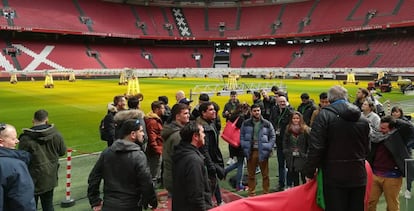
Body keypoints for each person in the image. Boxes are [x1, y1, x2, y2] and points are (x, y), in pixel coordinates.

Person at [303, 85, 370, 211]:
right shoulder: (362, 118)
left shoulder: (324, 116)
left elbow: (316, 147)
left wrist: (309, 172)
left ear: (330, 99)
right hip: (358, 174)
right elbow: (367, 148)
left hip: (334, 176)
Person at [88, 119, 158, 211]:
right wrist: (152, 201)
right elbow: (146, 182)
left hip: (109, 205)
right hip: (131, 205)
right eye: (140, 131)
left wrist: (95, 201)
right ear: (133, 134)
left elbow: (94, 177)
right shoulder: (138, 156)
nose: (143, 134)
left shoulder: (107, 152)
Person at [19, 109, 67, 211]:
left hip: (32, 179)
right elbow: (62, 152)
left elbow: (21, 160)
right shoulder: (57, 135)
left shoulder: (25, 139)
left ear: (33, 120)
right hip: (50, 176)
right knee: (48, 205)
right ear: (46, 120)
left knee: (31, 206)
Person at [368, 115, 414, 210]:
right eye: (380, 127)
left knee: (392, 206)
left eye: (384, 128)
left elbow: (409, 127)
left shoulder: (399, 136)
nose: (381, 130)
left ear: (392, 128)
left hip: (392, 177)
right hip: (375, 175)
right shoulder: (376, 137)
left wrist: (395, 120)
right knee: (369, 203)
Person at [172, 121, 212, 211]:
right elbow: (196, 194)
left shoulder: (181, 153)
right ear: (195, 136)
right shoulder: (193, 160)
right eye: (202, 132)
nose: (204, 135)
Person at [240, 104, 276, 196]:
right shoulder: (246, 123)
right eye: (255, 111)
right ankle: (251, 193)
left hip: (263, 151)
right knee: (251, 174)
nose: (257, 112)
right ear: (251, 112)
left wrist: (268, 146)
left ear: (261, 111)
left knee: (265, 174)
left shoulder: (267, 123)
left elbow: (272, 136)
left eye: (258, 110)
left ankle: (266, 192)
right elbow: (242, 136)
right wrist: (244, 145)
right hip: (251, 151)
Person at [0, 123, 36, 211]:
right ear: (1, 142)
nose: (17, 141)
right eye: (13, 139)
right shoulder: (16, 166)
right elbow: (23, 203)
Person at [196, 102, 225, 206]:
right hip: (207, 161)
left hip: (210, 160)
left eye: (214, 110)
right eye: (211, 110)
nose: (214, 112)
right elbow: (204, 149)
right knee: (209, 184)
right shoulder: (204, 127)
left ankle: (219, 200)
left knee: (213, 182)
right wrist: (211, 164)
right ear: (203, 113)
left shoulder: (210, 123)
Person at [161, 103, 190, 195]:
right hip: (177, 178)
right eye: (185, 113)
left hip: (172, 176)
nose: (188, 115)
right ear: (177, 116)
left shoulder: (173, 130)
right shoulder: (178, 135)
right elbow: (182, 159)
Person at [270, 95, 294, 191]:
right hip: (279, 142)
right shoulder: (275, 111)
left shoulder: (290, 112)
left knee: (289, 164)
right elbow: (272, 122)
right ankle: (281, 183)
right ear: (277, 103)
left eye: (284, 101)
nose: (282, 103)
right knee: (281, 164)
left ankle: (289, 184)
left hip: (288, 143)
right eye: (280, 102)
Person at [224, 103, 250, 191]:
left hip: (233, 142)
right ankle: (239, 185)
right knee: (241, 164)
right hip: (239, 143)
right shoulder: (241, 118)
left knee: (240, 162)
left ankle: (225, 171)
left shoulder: (233, 116)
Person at [283, 111, 310, 188]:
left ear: (300, 119)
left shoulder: (306, 129)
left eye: (297, 118)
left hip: (302, 157)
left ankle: (305, 191)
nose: (295, 120)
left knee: (304, 176)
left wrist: (306, 154)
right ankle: (296, 191)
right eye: (294, 118)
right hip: (292, 157)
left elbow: (310, 143)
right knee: (294, 177)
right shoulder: (288, 129)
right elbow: (285, 141)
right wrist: (286, 151)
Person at [144, 101, 165, 185]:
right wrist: (158, 150)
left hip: (157, 149)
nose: (164, 110)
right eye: (163, 108)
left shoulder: (154, 120)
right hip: (155, 151)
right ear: (157, 109)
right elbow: (152, 138)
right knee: (154, 175)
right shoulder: (153, 122)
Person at [222, 91, 240, 166]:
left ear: (237, 96)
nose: (233, 98)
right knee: (230, 141)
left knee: (237, 140)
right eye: (232, 96)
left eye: (235, 96)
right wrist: (225, 114)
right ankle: (231, 157)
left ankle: (239, 157)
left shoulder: (239, 104)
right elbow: (223, 114)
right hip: (230, 124)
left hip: (238, 124)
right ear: (230, 96)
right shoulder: (227, 105)